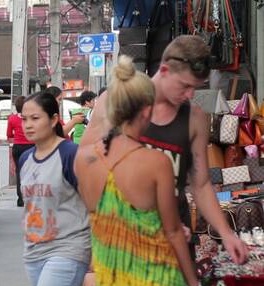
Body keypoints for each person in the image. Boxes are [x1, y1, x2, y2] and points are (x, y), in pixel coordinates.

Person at [79, 35, 248, 264]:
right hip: (121, 244)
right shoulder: (116, 101)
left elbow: (201, 184)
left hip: (174, 243)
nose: (189, 95)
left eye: (195, 89)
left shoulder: (194, 118)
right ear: (165, 70)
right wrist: (89, 265)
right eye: (185, 86)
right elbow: (84, 165)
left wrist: (227, 234)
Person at [76, 55, 201, 286]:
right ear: (146, 111)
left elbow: (99, 223)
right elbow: (173, 231)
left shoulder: (83, 159)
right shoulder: (156, 163)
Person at [19, 92, 91, 286]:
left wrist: (94, 268)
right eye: (24, 119)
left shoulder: (70, 154)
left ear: (53, 119)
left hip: (69, 250)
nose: (28, 125)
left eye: (35, 118)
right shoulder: (25, 159)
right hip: (34, 252)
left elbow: (96, 207)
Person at [6, 96, 34, 207]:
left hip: (18, 147)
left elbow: (9, 135)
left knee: (19, 172)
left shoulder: (12, 119)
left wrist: (16, 135)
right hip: (31, 146)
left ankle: (20, 198)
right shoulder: (31, 118)